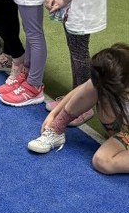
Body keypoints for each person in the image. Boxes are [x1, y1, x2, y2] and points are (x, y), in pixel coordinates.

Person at [28, 43, 129, 175]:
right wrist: (55, 117)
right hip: (122, 129)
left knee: (102, 161)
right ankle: (56, 131)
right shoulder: (114, 70)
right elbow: (84, 88)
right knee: (94, 87)